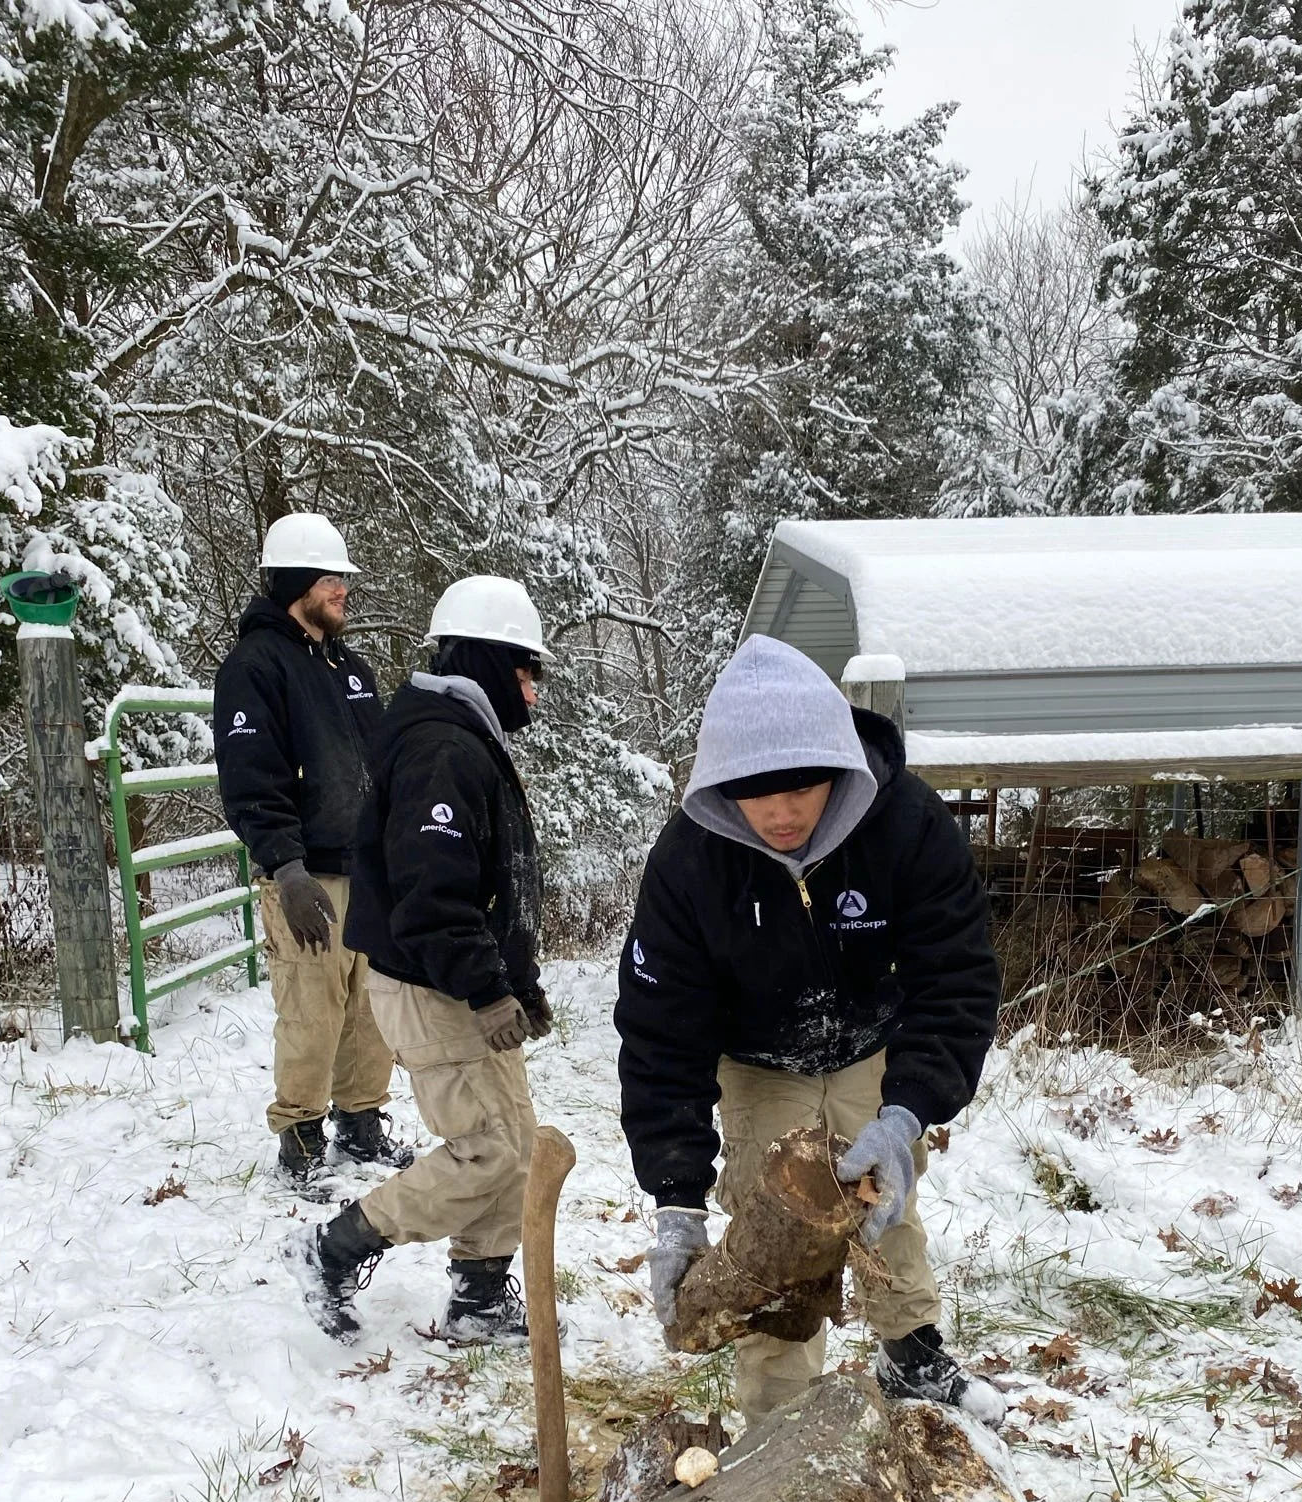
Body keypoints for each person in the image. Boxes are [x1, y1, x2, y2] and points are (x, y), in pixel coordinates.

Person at [614, 634, 1004, 1427]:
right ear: (721, 786)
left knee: (885, 1197)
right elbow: (661, 1035)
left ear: (838, 766)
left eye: (803, 787)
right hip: (758, 1057)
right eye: (757, 794)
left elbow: (957, 979)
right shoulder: (689, 864)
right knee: (776, 1233)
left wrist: (907, 1112)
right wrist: (676, 1200)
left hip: (869, 1042)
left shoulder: (907, 825)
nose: (783, 813)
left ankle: (910, 1349)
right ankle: (781, 1419)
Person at [297, 576, 553, 1342]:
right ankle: (333, 1248)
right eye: (526, 669)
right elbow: (430, 894)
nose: (533, 689)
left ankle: (480, 1296)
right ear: (486, 659)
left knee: (513, 1144)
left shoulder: (461, 737)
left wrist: (518, 983)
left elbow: (492, 885)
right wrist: (488, 987)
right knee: (490, 1150)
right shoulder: (443, 748)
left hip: (460, 981)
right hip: (432, 985)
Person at [215, 511, 409, 1185]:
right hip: (306, 877)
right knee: (311, 1009)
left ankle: (361, 1122)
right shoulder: (255, 666)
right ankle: (300, 1136)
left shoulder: (349, 667)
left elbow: (381, 767)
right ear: (296, 581)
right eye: (330, 579)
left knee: (369, 1005)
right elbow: (250, 778)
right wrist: (286, 868)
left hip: (366, 871)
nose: (343, 590)